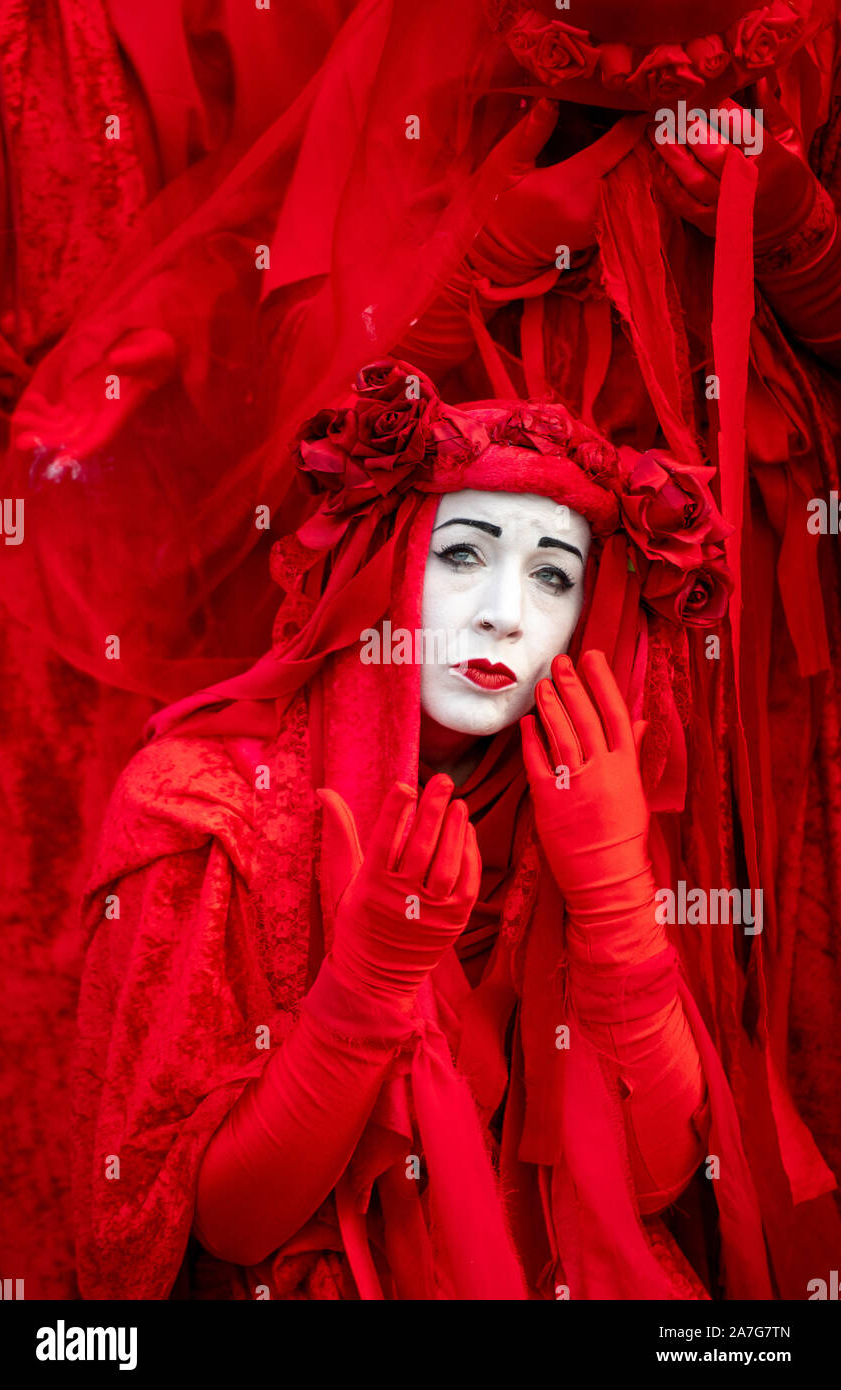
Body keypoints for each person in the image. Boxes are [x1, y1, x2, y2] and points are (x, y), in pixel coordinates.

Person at [72, 358, 775, 1300]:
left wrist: (612, 899)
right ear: (380, 565)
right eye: (461, 556)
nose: (504, 614)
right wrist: (364, 992)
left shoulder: (584, 796)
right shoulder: (197, 806)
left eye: (552, 576)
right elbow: (213, 1234)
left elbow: (655, 1182)